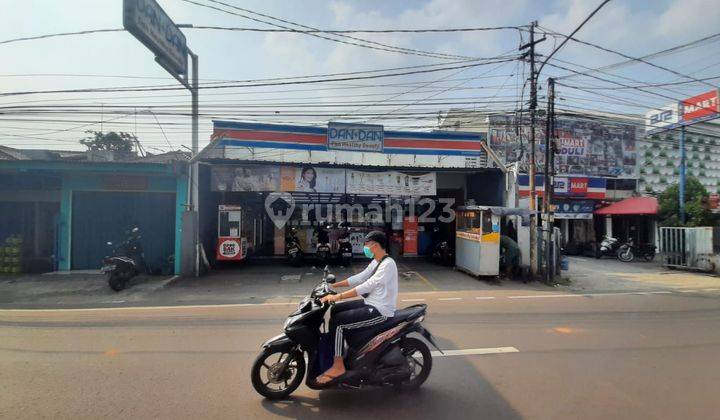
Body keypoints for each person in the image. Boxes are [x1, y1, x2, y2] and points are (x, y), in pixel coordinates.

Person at [316, 230, 398, 385]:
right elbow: (360, 277)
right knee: (335, 310)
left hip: (381, 311)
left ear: (374, 245)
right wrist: (333, 285)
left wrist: (337, 296)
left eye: (366, 244)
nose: (364, 247)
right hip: (371, 303)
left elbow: (366, 286)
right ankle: (342, 348)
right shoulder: (376, 261)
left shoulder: (387, 264)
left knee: (338, 323)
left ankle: (338, 365)